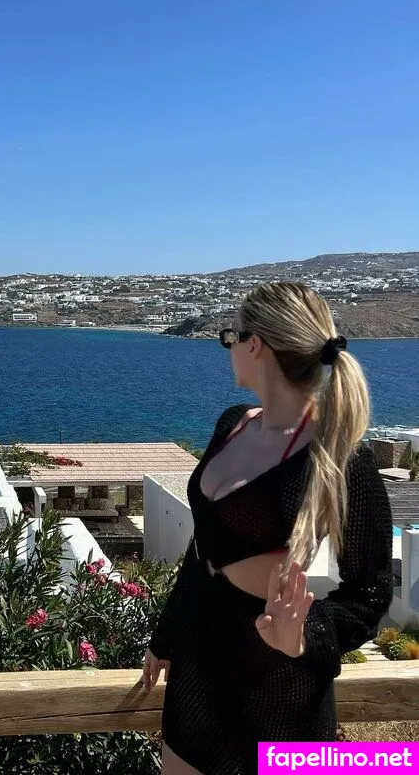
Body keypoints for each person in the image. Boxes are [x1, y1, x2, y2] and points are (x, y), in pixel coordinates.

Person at [141, 281, 394, 775]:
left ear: (254, 344)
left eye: (229, 336)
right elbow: (204, 546)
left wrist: (304, 636)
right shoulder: (232, 423)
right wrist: (165, 635)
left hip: (277, 680)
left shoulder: (339, 456)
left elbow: (370, 592)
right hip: (198, 663)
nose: (228, 348)